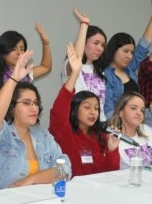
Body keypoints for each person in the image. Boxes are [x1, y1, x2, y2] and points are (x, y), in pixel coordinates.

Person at [0, 51, 70, 191]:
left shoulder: (42, 134)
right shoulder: (1, 133)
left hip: (36, 202)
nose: (34, 108)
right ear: (12, 107)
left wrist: (31, 180)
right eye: (26, 103)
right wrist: (13, 80)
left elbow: (64, 169)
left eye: (35, 103)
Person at [50, 43, 119, 176]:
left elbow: (108, 173)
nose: (93, 112)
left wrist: (112, 150)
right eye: (87, 107)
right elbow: (59, 110)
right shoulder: (64, 132)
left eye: (96, 108)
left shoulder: (100, 136)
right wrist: (74, 74)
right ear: (74, 110)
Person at [102, 0, 152, 118]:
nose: (130, 56)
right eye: (125, 51)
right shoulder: (106, 74)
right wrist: (121, 131)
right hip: (119, 124)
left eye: (132, 52)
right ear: (113, 50)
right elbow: (108, 109)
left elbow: (145, 45)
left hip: (139, 118)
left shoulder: (129, 69)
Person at [0, 24, 52, 121]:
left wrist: (46, 43)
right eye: (13, 49)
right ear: (3, 53)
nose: (19, 53)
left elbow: (46, 67)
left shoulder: (25, 73)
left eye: (22, 49)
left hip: (22, 128)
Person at [62, 8, 108, 121]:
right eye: (96, 43)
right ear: (84, 42)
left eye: (103, 45)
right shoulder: (71, 65)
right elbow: (76, 58)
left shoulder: (100, 71)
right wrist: (84, 25)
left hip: (98, 125)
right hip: (76, 123)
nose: (100, 48)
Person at [109, 92, 152, 169]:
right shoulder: (112, 136)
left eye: (142, 110)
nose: (139, 113)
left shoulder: (145, 129)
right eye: (133, 108)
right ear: (121, 112)